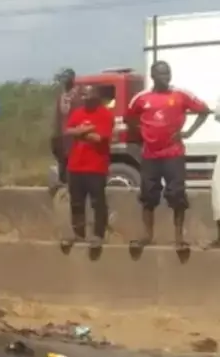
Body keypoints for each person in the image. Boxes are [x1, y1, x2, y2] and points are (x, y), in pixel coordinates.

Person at [125, 60, 211, 252]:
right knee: (148, 195)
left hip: (173, 154)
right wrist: (141, 133)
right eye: (162, 74)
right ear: (153, 76)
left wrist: (188, 133)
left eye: (168, 73)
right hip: (150, 155)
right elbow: (128, 117)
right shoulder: (141, 98)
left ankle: (179, 237)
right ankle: (147, 235)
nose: (166, 77)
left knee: (177, 194)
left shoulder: (180, 94)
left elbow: (204, 111)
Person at [60, 85, 114, 250]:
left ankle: (98, 235)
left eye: (88, 95)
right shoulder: (78, 113)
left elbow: (99, 138)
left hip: (96, 166)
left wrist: (79, 132)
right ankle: (78, 234)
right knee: (76, 203)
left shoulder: (105, 114)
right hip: (76, 165)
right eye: (83, 95)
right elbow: (68, 131)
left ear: (96, 96)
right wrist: (87, 129)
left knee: (98, 203)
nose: (85, 98)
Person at [51, 68, 85, 194]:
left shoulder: (79, 97)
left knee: (74, 167)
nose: (64, 81)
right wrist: (55, 137)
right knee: (62, 166)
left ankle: (74, 191)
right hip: (61, 138)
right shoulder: (61, 97)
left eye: (66, 78)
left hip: (74, 138)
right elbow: (58, 119)